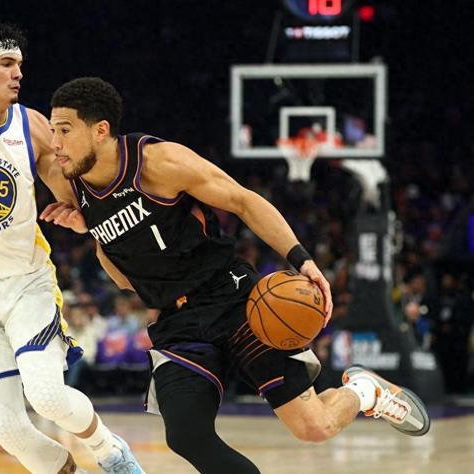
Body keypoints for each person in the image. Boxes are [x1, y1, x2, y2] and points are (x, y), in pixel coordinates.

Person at [42, 77, 432, 474]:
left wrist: (301, 259)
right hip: (177, 323)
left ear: (101, 130)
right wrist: (92, 232)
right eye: (53, 131)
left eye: (65, 130)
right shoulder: (76, 190)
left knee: (314, 427)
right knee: (185, 434)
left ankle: (365, 391)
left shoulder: (159, 162)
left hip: (233, 299)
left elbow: (243, 202)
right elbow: (125, 281)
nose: (55, 142)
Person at [0, 2, 144, 474]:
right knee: (10, 429)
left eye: (19, 64)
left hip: (24, 282)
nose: (18, 73)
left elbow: (72, 195)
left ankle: (109, 451)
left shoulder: (32, 125)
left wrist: (83, 215)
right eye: (6, 63)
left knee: (48, 396)